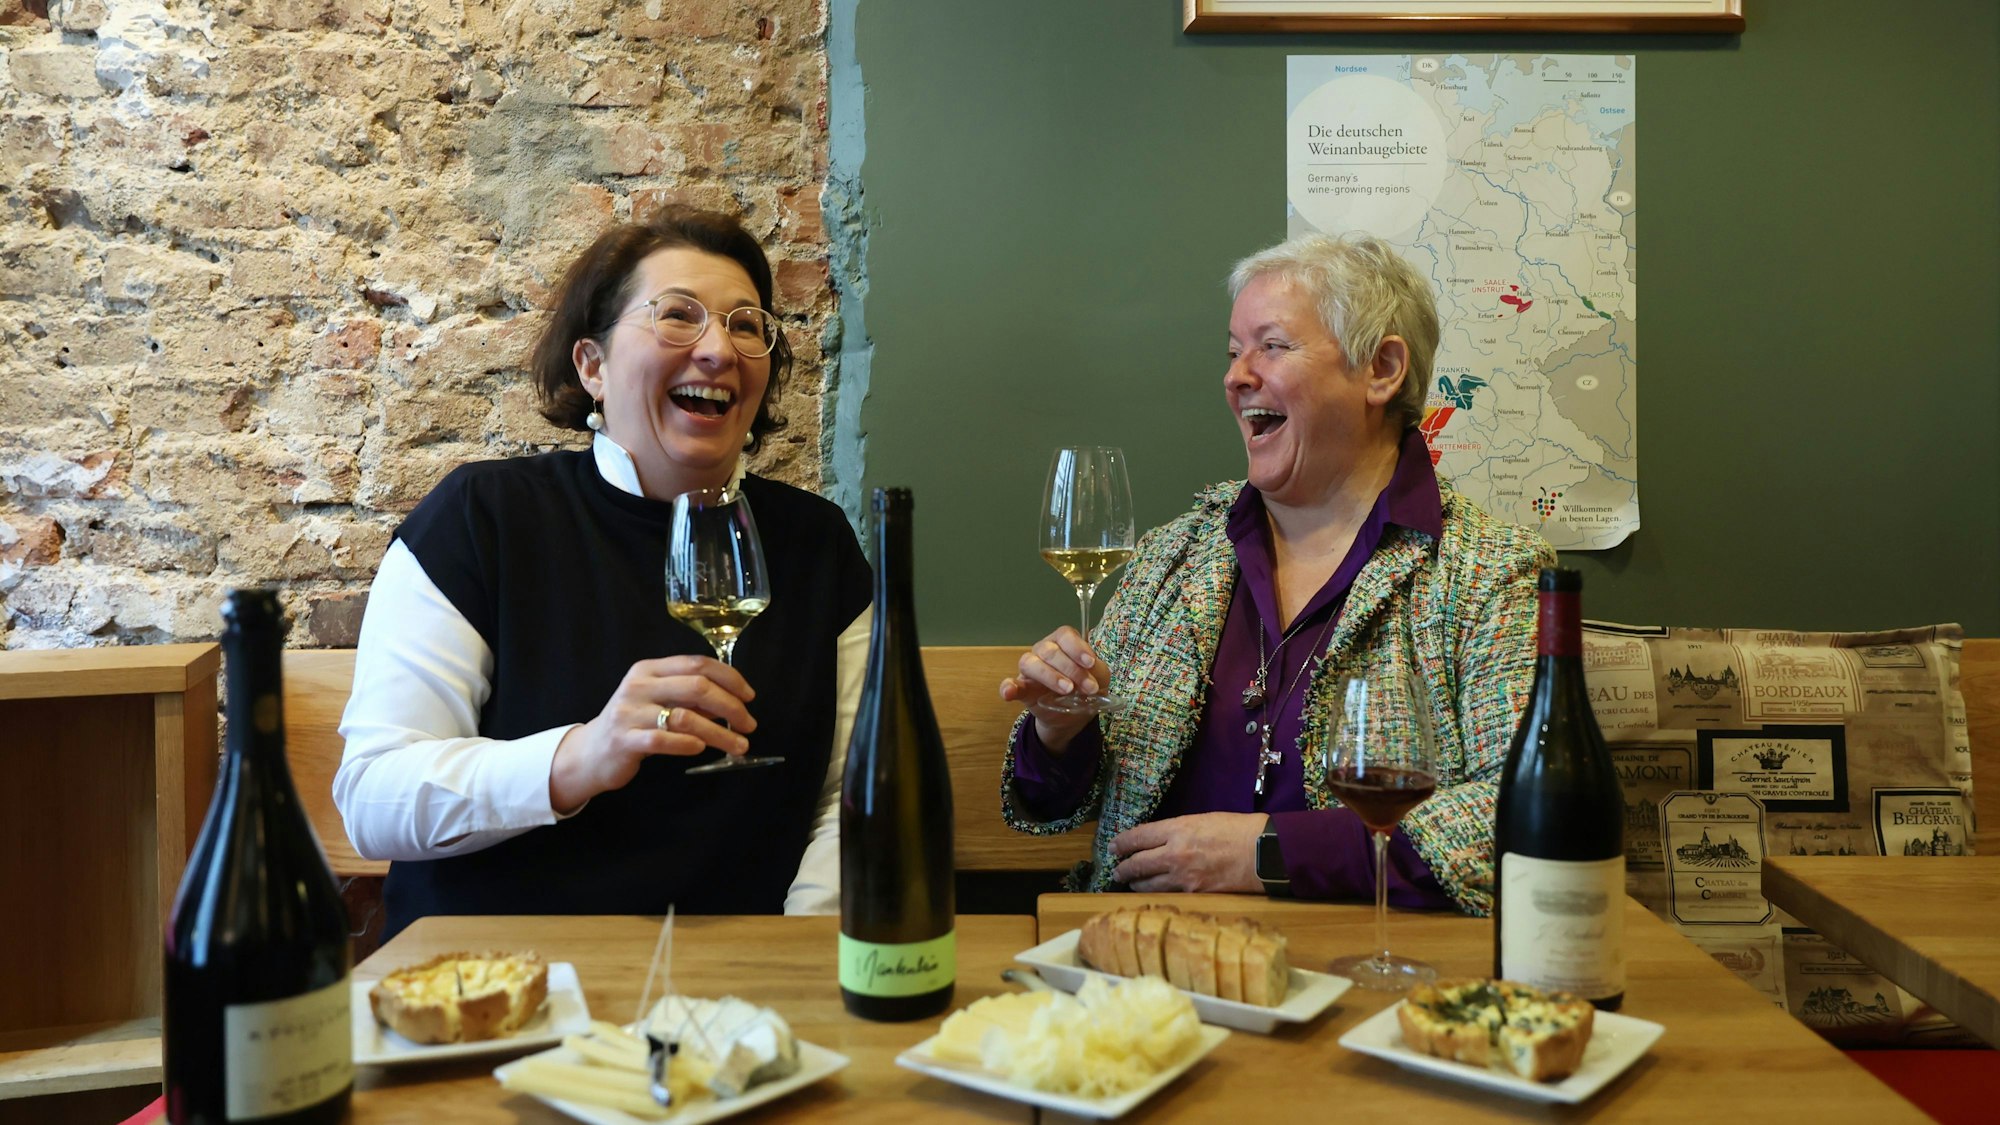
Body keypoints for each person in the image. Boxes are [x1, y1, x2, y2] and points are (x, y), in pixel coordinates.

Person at [335, 208, 871, 938]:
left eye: (747, 325)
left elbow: (850, 799)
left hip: (740, 1002)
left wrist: (795, 954)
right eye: (678, 316)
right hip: (495, 985)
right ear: (592, 366)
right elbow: (373, 799)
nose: (719, 348)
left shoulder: (816, 544)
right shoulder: (479, 519)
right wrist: (582, 755)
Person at [997, 232, 1552, 915]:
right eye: (1233, 352)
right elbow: (1054, 805)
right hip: (1145, 965)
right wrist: (1058, 731)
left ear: (1381, 368)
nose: (1235, 377)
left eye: (1272, 346)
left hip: (1366, 969)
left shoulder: (1492, 575)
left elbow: (1527, 812)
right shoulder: (1177, 554)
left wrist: (1269, 853)